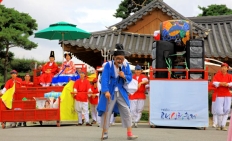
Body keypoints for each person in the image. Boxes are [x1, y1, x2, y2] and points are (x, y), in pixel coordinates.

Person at [97, 43, 138, 140]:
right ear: (114, 57)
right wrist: (105, 91)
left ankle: (129, 133)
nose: (120, 60)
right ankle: (105, 132)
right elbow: (105, 79)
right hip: (110, 91)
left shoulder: (125, 65)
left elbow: (129, 77)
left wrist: (124, 76)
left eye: (122, 58)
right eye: (118, 58)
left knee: (126, 111)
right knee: (107, 111)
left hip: (121, 91)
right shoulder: (108, 65)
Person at [213, 63, 232, 131]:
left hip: (227, 94)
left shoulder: (230, 76)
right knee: (219, 110)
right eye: (222, 67)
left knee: (227, 109)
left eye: (225, 67)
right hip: (219, 94)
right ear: (221, 68)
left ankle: (223, 125)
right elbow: (214, 82)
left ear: (227, 68)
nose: (223, 68)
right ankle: (219, 124)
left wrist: (227, 84)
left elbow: (231, 83)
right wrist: (220, 83)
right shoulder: (217, 75)